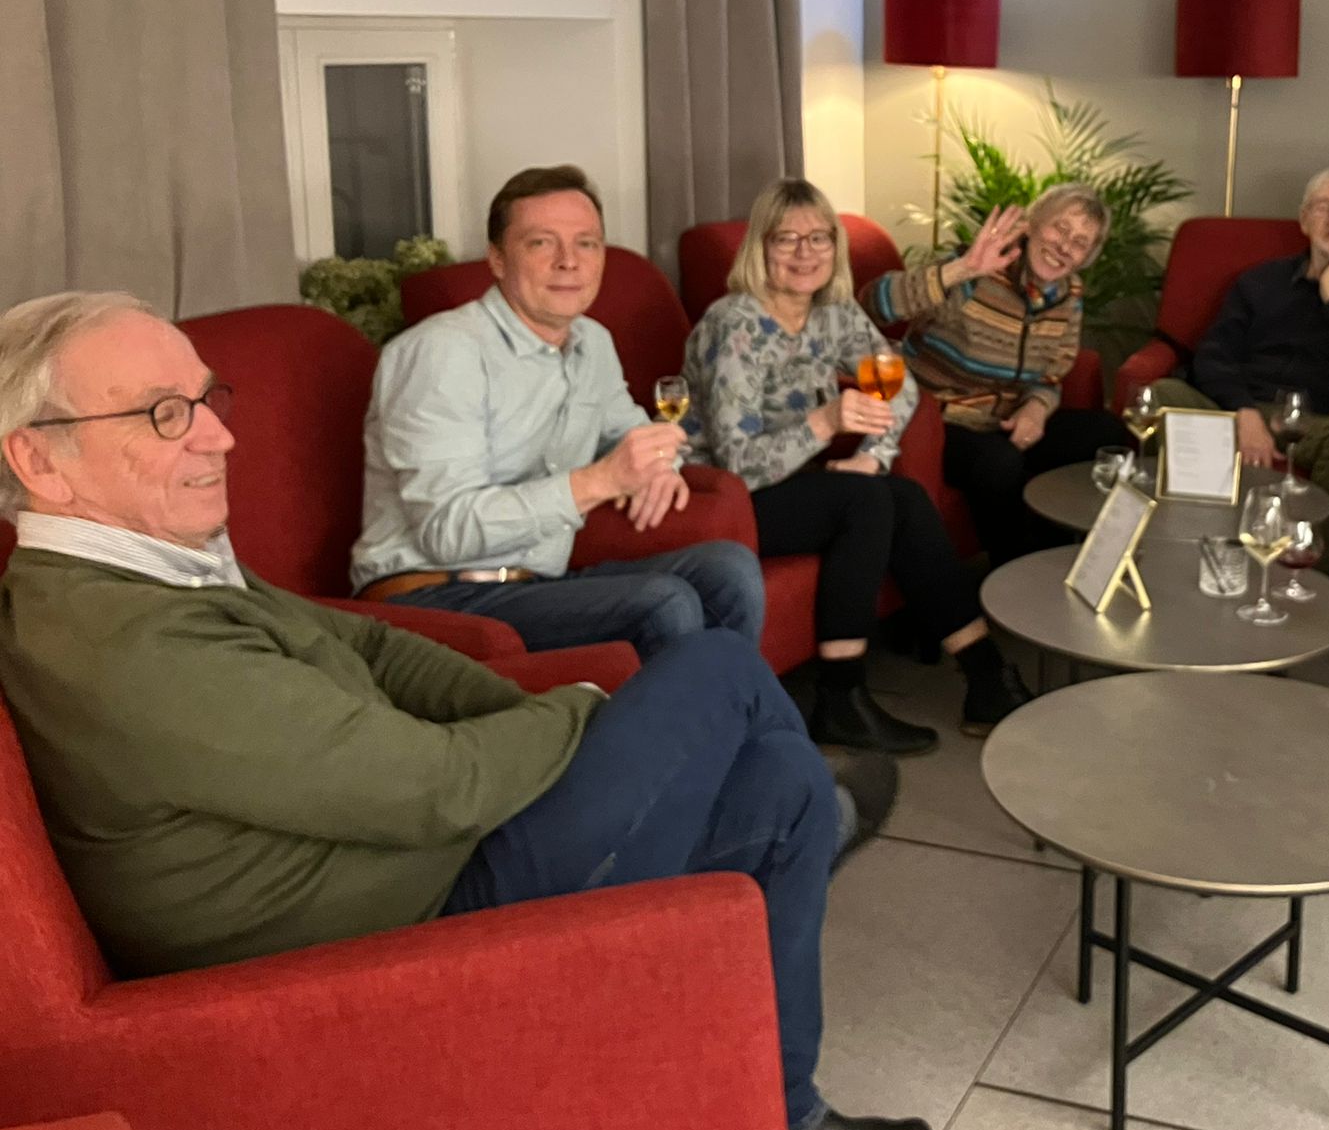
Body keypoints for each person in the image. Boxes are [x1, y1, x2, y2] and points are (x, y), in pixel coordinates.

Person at [0, 292, 931, 1130]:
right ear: (39, 460)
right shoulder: (123, 641)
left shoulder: (154, 567)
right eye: (165, 414)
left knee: (779, 789)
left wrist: (511, 707)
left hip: (417, 858)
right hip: (401, 939)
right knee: (720, 670)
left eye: (208, 399)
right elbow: (434, 788)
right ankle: (819, 825)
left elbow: (368, 643)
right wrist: (583, 708)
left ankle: (788, 1113)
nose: (220, 435)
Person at [351, 165, 765, 659]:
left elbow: (632, 431)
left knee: (728, 570)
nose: (569, 261)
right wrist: (602, 480)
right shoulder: (442, 352)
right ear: (497, 259)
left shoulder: (592, 342)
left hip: (535, 581)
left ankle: (732, 706)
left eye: (586, 243)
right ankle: (705, 711)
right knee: (662, 601)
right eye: (541, 243)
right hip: (431, 590)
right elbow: (446, 531)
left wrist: (662, 465)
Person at [685, 180, 1035, 751]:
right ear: (760, 248)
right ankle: (840, 699)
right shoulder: (736, 325)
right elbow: (738, 464)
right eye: (786, 239)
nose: (805, 253)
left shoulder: (832, 313)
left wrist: (873, 453)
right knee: (865, 500)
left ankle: (986, 675)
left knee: (899, 494)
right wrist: (825, 423)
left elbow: (899, 383)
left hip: (791, 483)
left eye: (819, 238)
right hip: (721, 498)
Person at [1146, 168, 1329, 565]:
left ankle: (1304, 567)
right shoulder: (1259, 283)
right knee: (1163, 395)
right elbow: (1213, 354)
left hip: (1319, 425)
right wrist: (1244, 412)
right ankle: (1187, 552)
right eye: (1323, 208)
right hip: (1240, 408)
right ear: (1305, 220)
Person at [859, 184, 1131, 563]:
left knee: (1106, 433)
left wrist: (1036, 408)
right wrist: (961, 269)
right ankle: (1015, 571)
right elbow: (873, 304)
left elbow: (1053, 371)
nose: (1065, 246)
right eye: (1060, 228)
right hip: (941, 418)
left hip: (1005, 421)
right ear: (1031, 223)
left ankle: (1064, 556)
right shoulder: (976, 269)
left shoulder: (1069, 295)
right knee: (999, 463)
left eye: (1080, 242)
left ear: (1086, 257)